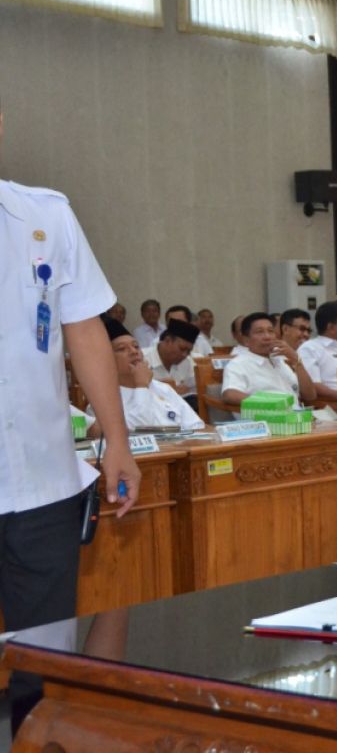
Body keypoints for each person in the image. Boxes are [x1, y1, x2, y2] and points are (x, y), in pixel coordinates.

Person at [1, 121, 140, 731]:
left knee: (44, 671)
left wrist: (117, 440)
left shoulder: (44, 215)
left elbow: (85, 328)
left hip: (42, 483)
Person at [93, 316, 204, 431]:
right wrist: (141, 385)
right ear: (105, 360)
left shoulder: (163, 388)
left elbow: (196, 425)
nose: (134, 351)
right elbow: (138, 430)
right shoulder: (101, 398)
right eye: (122, 349)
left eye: (136, 346)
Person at [221, 312, 316, 410]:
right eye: (259, 332)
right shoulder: (238, 364)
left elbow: (310, 396)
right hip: (268, 420)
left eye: (271, 331)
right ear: (246, 340)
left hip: (297, 418)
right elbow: (230, 394)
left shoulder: (281, 360)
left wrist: (297, 361)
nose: (267, 336)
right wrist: (271, 405)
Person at [143, 318, 198, 402]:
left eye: (189, 351)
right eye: (182, 349)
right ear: (168, 341)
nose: (185, 355)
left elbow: (194, 391)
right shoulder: (141, 359)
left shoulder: (188, 362)